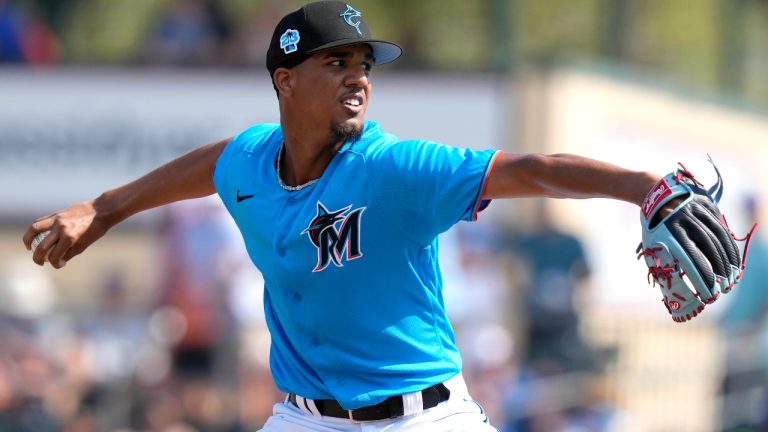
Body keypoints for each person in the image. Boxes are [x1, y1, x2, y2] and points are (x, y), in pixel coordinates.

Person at [23, 1, 660, 430]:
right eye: (335, 63)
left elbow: (532, 167)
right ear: (285, 81)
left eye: (363, 65)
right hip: (304, 418)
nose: (358, 78)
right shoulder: (249, 159)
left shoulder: (396, 169)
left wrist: (647, 188)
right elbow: (210, 164)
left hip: (421, 418)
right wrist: (103, 210)